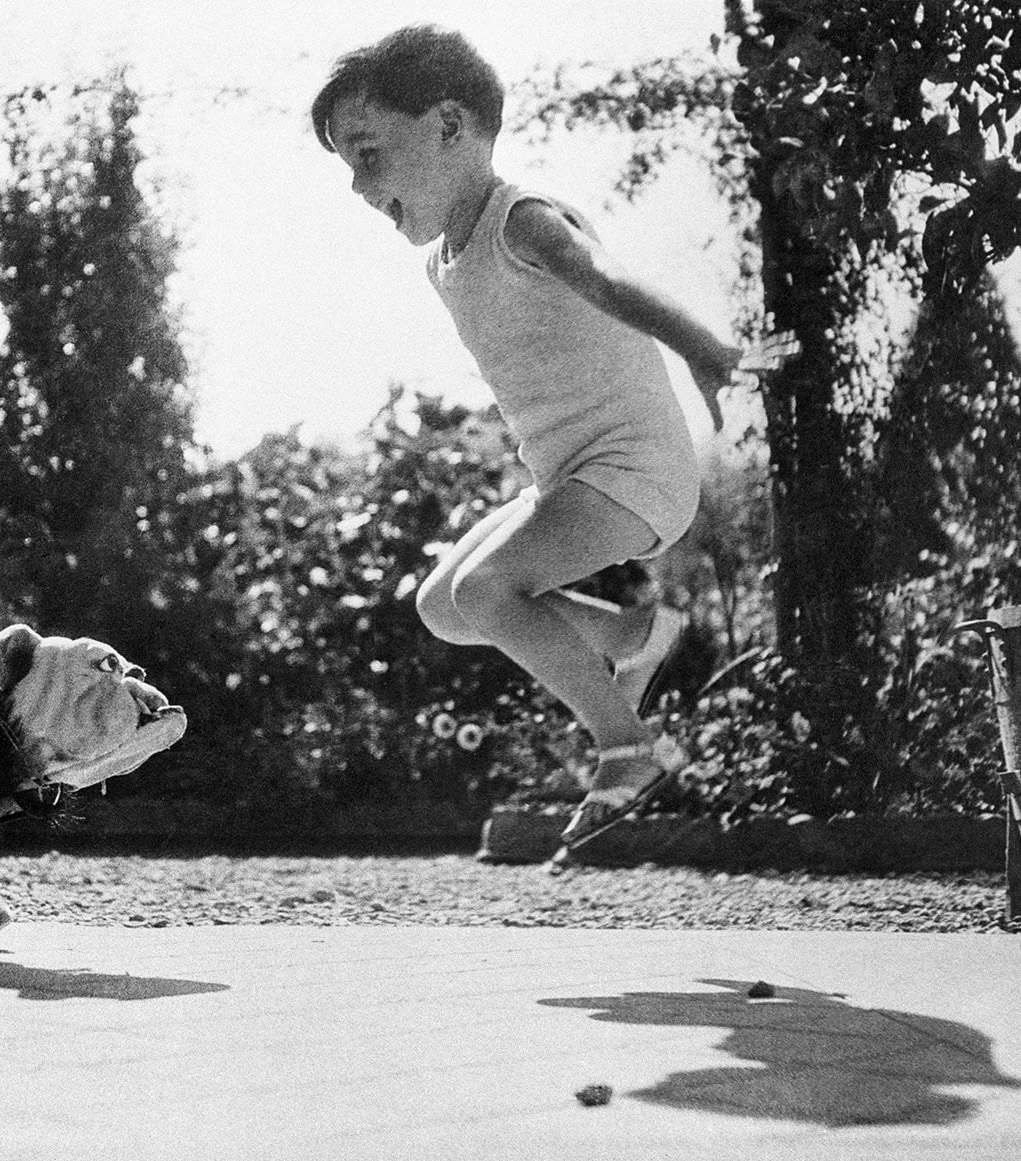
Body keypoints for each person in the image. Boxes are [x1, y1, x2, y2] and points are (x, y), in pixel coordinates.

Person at [310, 25, 779, 863]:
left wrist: (702, 347)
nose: (356, 185)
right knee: (444, 605)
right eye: (348, 163)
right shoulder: (442, 261)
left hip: (633, 472)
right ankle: (637, 637)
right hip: (568, 476)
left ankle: (630, 748)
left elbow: (604, 280)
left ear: (450, 126)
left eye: (369, 153)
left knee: (492, 590)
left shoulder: (519, 221)